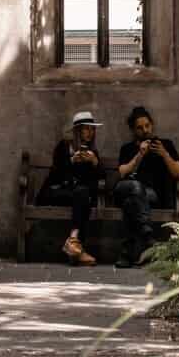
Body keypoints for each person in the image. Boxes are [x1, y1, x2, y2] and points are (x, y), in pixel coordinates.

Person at [113, 106, 179, 268]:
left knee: (131, 203)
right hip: (124, 189)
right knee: (134, 188)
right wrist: (139, 155)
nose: (145, 130)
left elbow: (178, 174)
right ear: (133, 130)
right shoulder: (127, 148)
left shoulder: (165, 145)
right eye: (139, 127)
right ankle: (147, 235)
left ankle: (127, 252)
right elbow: (122, 173)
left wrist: (164, 154)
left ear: (152, 125)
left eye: (147, 126)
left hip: (152, 195)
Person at [38, 111, 103, 266]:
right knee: (82, 196)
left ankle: (73, 243)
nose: (90, 132)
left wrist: (94, 162)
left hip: (78, 196)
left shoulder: (92, 152)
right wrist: (71, 161)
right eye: (86, 129)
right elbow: (55, 174)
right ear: (77, 131)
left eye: (92, 129)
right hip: (56, 192)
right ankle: (78, 249)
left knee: (82, 195)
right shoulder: (63, 147)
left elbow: (101, 178)